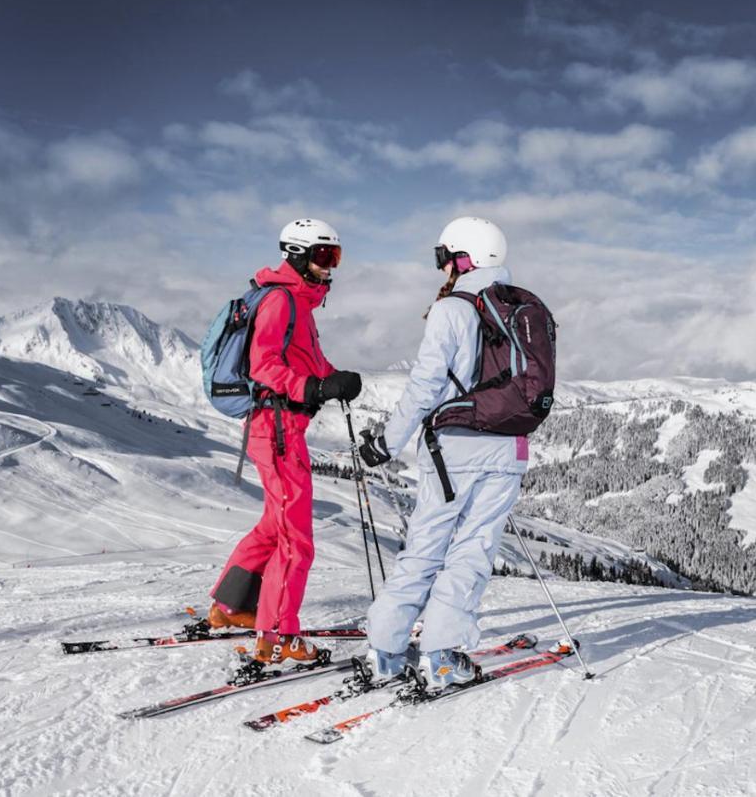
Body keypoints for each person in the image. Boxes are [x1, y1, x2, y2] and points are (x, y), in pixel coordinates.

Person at [357, 216, 528, 689]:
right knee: (473, 552)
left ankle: (386, 651)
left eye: (445, 258)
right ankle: (441, 656)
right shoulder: (521, 309)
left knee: (425, 549)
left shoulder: (452, 310)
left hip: (452, 448)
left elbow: (424, 386)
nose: (443, 269)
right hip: (509, 448)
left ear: (464, 258)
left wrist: (386, 444)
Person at [208, 218, 363, 666]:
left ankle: (228, 607)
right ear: (297, 255)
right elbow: (264, 368)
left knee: (275, 527)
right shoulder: (279, 301)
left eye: (334, 256)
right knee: (297, 539)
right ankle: (277, 633)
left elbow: (307, 360)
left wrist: (333, 379)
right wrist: (313, 390)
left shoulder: (298, 303)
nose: (329, 266)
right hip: (276, 430)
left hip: (278, 428)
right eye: (322, 256)